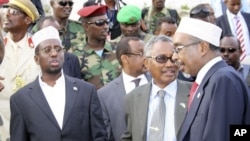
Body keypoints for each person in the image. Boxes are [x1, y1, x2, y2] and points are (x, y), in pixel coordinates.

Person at [9, 26, 107, 141]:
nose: (54, 53)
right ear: (36, 59)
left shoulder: (86, 91)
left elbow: (99, 135)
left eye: (58, 49)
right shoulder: (21, 99)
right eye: (47, 50)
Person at [173, 17, 250, 141]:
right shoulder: (211, 79)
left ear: (203, 47)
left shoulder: (223, 80)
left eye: (179, 49)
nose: (174, 56)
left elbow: (221, 136)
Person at [121, 35, 191, 141]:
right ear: (146, 63)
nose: (169, 64)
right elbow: (129, 137)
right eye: (161, 59)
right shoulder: (133, 98)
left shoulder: (194, 93)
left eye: (173, 58)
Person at [0, 0, 40, 140]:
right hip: (2, 124)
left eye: (13, 12)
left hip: (32, 123)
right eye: (6, 11)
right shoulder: (0, 47)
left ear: (28, 19)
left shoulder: (39, 49)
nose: (7, 15)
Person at [98, 37, 151, 141]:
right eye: (141, 54)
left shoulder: (158, 82)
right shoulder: (104, 95)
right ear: (125, 59)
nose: (147, 58)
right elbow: (106, 135)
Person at [77, 5, 121, 89]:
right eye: (100, 23)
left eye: (107, 22)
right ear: (86, 26)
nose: (106, 27)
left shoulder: (118, 49)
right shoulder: (76, 55)